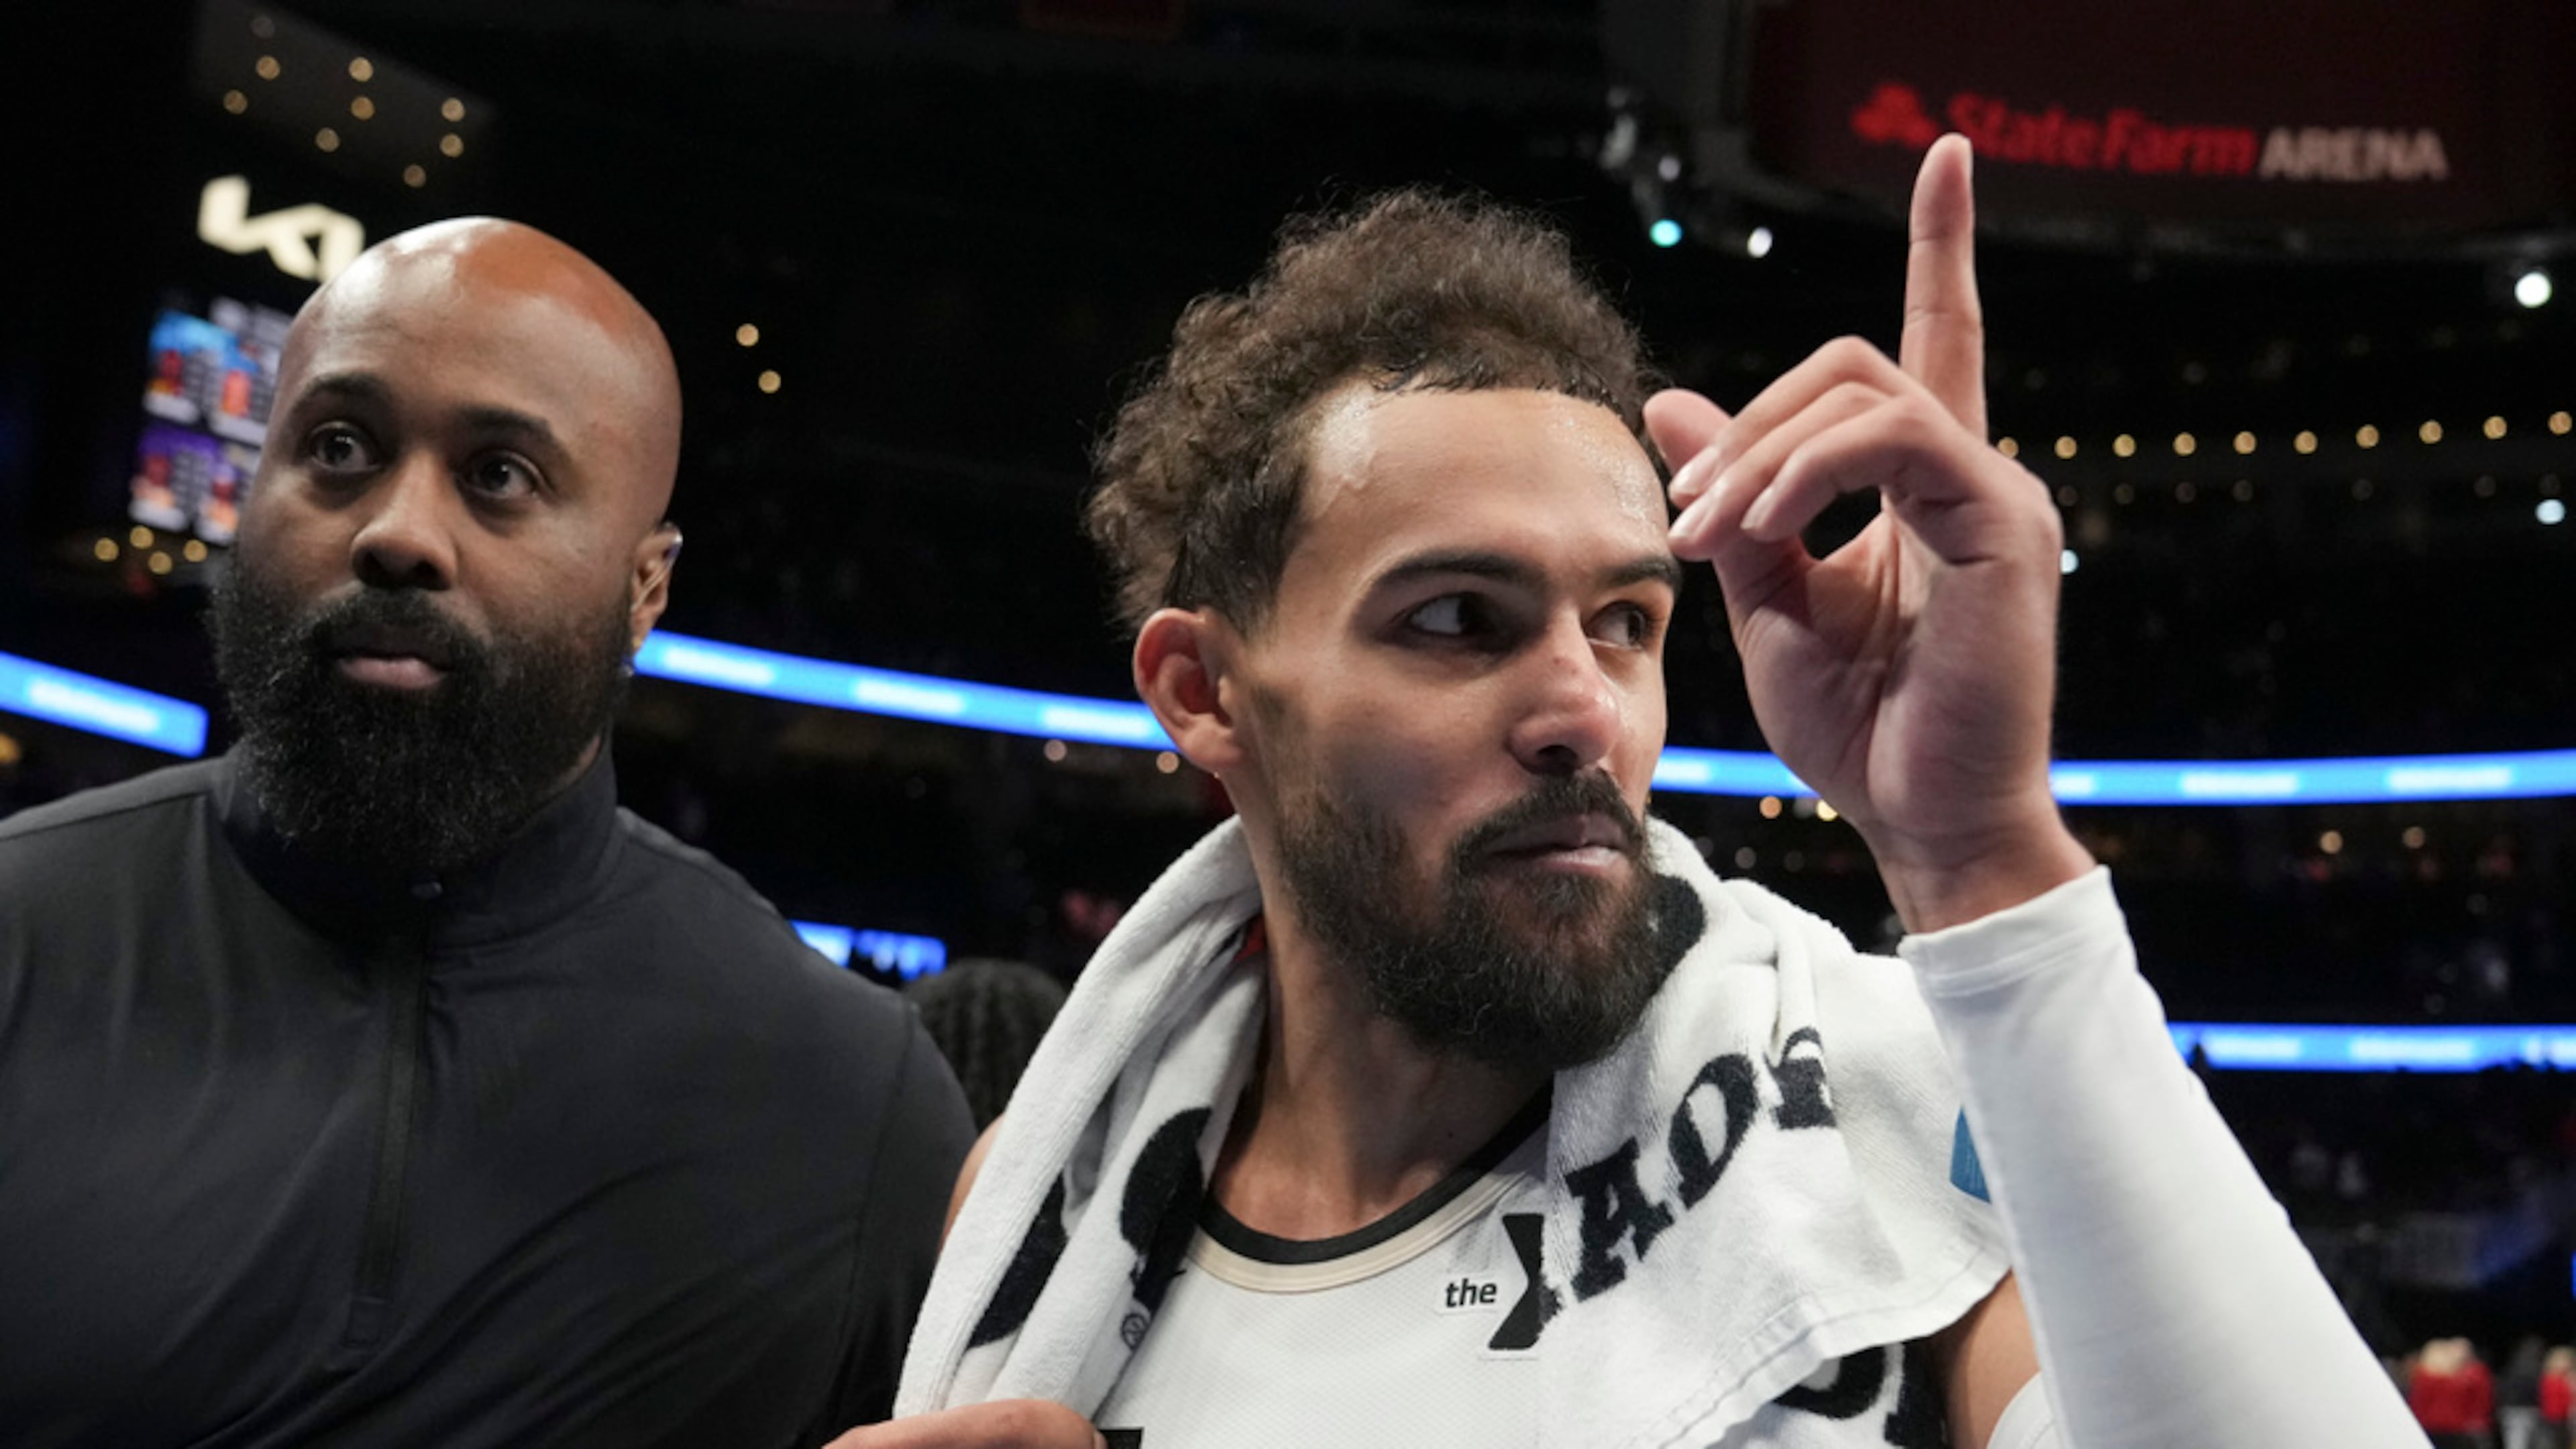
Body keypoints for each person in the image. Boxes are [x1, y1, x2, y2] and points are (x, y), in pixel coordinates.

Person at [844, 138, 2434, 1449]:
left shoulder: (1878, 1124)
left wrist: (1978, 856)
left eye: (1625, 622)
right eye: (1456, 619)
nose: (1583, 711)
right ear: (1205, 694)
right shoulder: (1044, 1199)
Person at [0, 219, 973, 1446]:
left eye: (500, 475)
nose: (398, 532)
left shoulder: (855, 1101)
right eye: (339, 449)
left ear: (645, 588)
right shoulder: (19, 935)